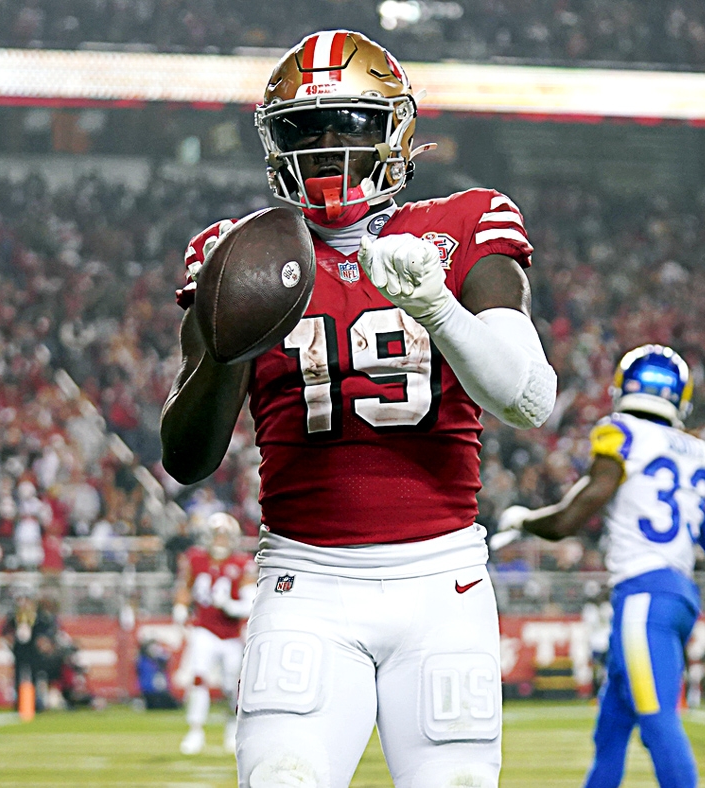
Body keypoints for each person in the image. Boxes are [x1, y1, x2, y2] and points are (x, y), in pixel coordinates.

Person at [160, 29, 556, 787]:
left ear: (396, 132)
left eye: (351, 121)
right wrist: (226, 342)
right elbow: (187, 457)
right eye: (304, 126)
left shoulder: (466, 225)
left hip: (442, 580)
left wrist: (439, 308)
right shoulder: (234, 251)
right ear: (276, 142)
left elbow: (530, 398)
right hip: (303, 581)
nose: (328, 143)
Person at [497, 345, 705, 788]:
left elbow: (578, 511)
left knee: (658, 722)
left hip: (643, 597)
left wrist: (527, 520)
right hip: (677, 597)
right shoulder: (699, 455)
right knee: (611, 729)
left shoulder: (621, 432)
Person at [173, 512, 255, 755]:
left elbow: (250, 603)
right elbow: (184, 588)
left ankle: (232, 729)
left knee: (232, 685)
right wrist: (179, 607)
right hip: (204, 629)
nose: (220, 541)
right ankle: (195, 731)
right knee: (199, 677)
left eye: (224, 536)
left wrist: (228, 605)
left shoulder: (242, 564)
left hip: (230, 634)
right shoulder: (196, 559)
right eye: (216, 536)